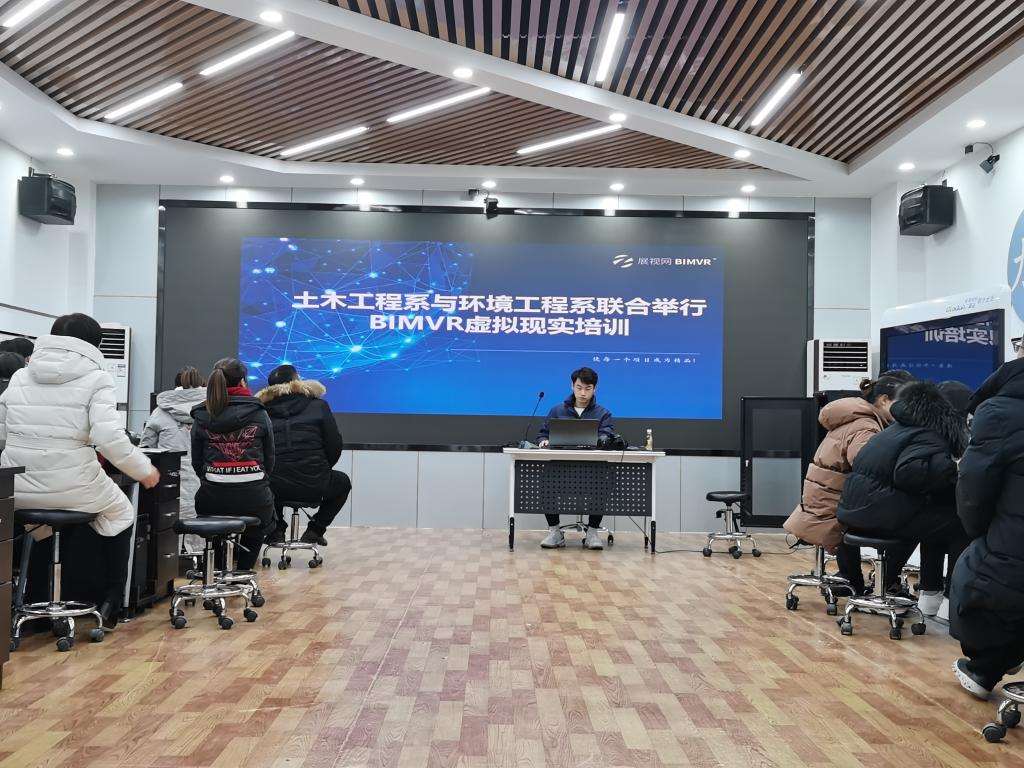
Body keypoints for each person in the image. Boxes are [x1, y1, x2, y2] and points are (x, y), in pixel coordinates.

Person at [0, 313, 160, 625]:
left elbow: (3, 432)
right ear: (94, 345)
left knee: (41, 526)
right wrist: (143, 470)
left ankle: (37, 599)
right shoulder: (97, 379)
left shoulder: (20, 376)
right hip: (73, 486)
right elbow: (109, 438)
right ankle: (111, 601)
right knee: (121, 512)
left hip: (17, 489)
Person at [837, 380, 971, 611]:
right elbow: (908, 473)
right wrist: (951, 471)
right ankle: (951, 601)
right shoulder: (930, 434)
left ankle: (930, 596)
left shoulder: (900, 427)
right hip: (877, 514)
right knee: (960, 525)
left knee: (938, 520)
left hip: (856, 512)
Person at [784, 373, 908, 593]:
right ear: (884, 400)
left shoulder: (851, 418)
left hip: (825, 503)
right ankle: (886, 582)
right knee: (912, 524)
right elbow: (866, 466)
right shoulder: (866, 426)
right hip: (836, 509)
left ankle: (852, 577)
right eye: (901, 403)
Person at [950, 349, 1024, 700]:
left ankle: (985, 667)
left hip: (1010, 549)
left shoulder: (999, 412)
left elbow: (973, 490)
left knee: (982, 570)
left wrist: (978, 532)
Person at [191, 358, 275, 570]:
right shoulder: (259, 412)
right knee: (261, 521)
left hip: (211, 498)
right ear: (243, 381)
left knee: (215, 528)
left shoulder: (202, 415)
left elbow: (197, 462)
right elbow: (269, 459)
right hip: (254, 498)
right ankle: (244, 573)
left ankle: (215, 574)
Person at [257, 365, 350, 546]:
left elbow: (259, 450)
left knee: (266, 480)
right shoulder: (319, 406)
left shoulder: (261, 410)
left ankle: (276, 530)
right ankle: (316, 530)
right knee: (343, 483)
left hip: (273, 486)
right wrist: (321, 469)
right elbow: (334, 445)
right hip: (315, 482)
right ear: (297, 381)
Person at [536, 366, 614, 550]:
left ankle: (592, 533)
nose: (583, 393)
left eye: (588, 388)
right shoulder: (557, 411)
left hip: (592, 467)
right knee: (546, 482)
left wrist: (600, 440)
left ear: (595, 388)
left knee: (602, 484)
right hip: (561, 466)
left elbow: (606, 436)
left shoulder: (603, 413)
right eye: (579, 387)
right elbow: (542, 434)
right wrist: (543, 441)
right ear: (572, 386)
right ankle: (555, 532)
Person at [140, 366, 207, 553]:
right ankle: (199, 554)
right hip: (205, 485)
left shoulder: (160, 412)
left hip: (168, 486)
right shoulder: (212, 410)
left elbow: (146, 449)